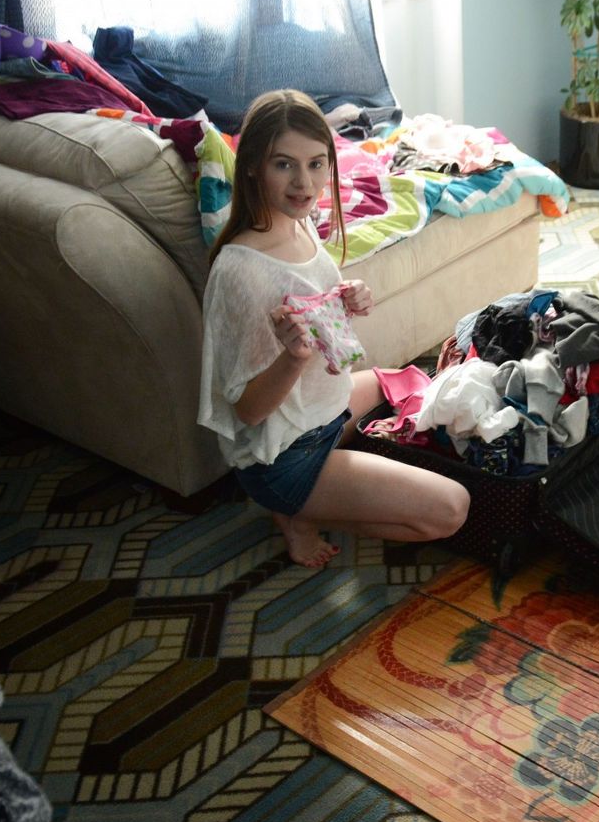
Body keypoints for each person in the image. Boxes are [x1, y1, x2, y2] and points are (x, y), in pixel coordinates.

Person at [198, 89, 469, 567]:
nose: (304, 183)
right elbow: (248, 412)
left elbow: (311, 297)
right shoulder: (238, 270)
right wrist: (293, 357)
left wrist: (348, 296)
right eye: (284, 164)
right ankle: (296, 512)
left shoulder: (297, 222)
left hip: (324, 410)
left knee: (409, 381)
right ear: (253, 166)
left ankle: (322, 491)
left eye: (316, 164)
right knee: (452, 509)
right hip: (285, 454)